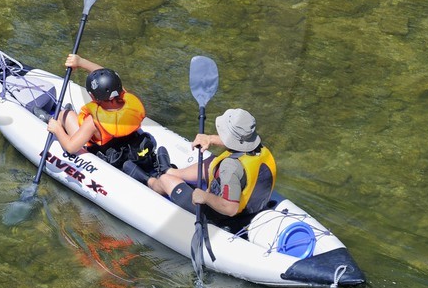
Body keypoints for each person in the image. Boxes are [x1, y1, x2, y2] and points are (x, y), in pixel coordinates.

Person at [147, 107, 276, 228]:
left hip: (222, 216)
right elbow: (238, 142)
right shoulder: (261, 149)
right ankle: (171, 170)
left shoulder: (230, 167)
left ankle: (147, 179)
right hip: (254, 208)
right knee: (213, 163)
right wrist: (210, 139)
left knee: (165, 180)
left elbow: (230, 208)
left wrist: (204, 196)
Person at [48, 54, 160, 182]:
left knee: (65, 114)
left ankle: (56, 120)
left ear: (93, 97)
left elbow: (71, 147)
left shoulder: (93, 121)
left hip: (106, 154)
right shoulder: (126, 98)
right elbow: (108, 75)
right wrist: (80, 61)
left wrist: (57, 129)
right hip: (126, 147)